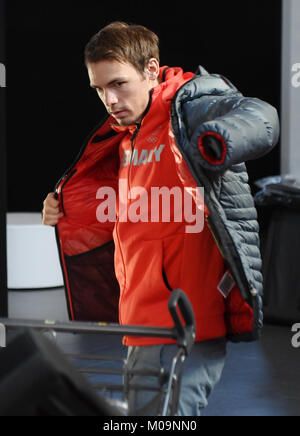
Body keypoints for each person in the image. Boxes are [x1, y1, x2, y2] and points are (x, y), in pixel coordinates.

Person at [42, 21, 280, 416]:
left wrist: (219, 139)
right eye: (100, 89)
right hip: (139, 322)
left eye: (118, 83)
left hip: (187, 321)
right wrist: (67, 207)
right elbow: (134, 220)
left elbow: (263, 116)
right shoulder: (126, 135)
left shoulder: (191, 107)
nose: (109, 99)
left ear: (151, 70)